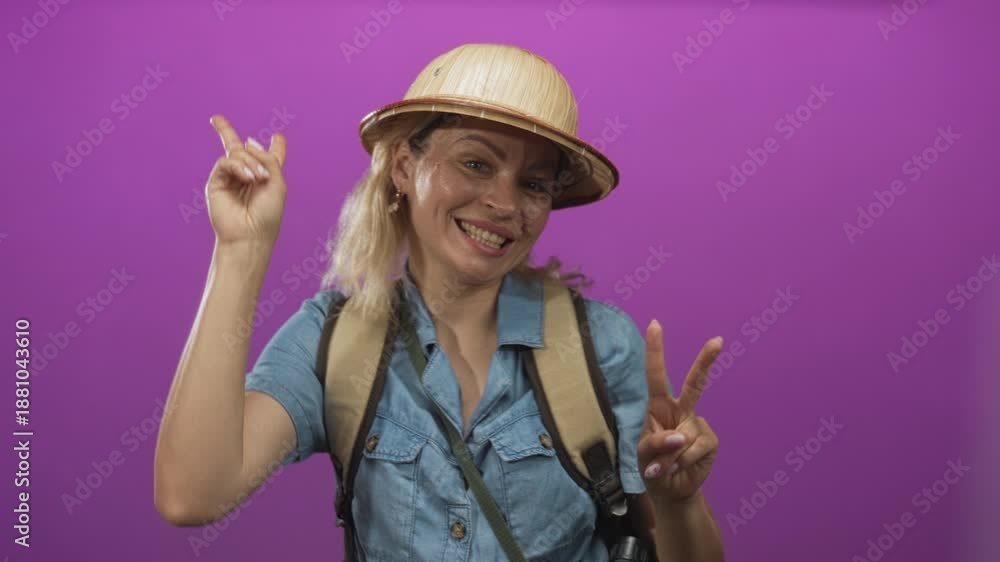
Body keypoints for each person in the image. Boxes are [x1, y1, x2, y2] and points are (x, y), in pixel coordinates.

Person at [154, 43, 726, 561]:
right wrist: (242, 249)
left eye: (532, 184)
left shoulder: (601, 346)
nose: (504, 203)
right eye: (476, 163)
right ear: (404, 166)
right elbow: (191, 494)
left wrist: (678, 501)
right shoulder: (331, 340)